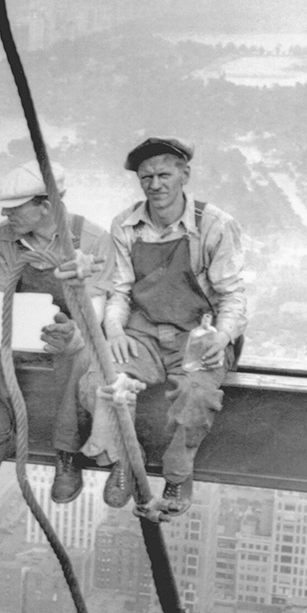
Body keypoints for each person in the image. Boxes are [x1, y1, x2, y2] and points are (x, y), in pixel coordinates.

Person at [78, 137, 248, 515]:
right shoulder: (126, 224)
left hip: (197, 335)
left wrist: (222, 335)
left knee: (197, 396)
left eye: (164, 174)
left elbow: (233, 295)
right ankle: (125, 460)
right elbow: (119, 291)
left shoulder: (214, 225)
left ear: (184, 175)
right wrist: (116, 331)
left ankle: (177, 473)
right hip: (144, 333)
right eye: (146, 177)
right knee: (100, 382)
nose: (155, 185)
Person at [0, 161, 111, 502]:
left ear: (45, 206)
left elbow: (96, 306)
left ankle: (67, 451)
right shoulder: (3, 238)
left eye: (14, 209)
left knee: (78, 356)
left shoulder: (92, 239)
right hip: (20, 325)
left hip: (71, 328)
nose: (5, 214)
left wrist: (75, 332)